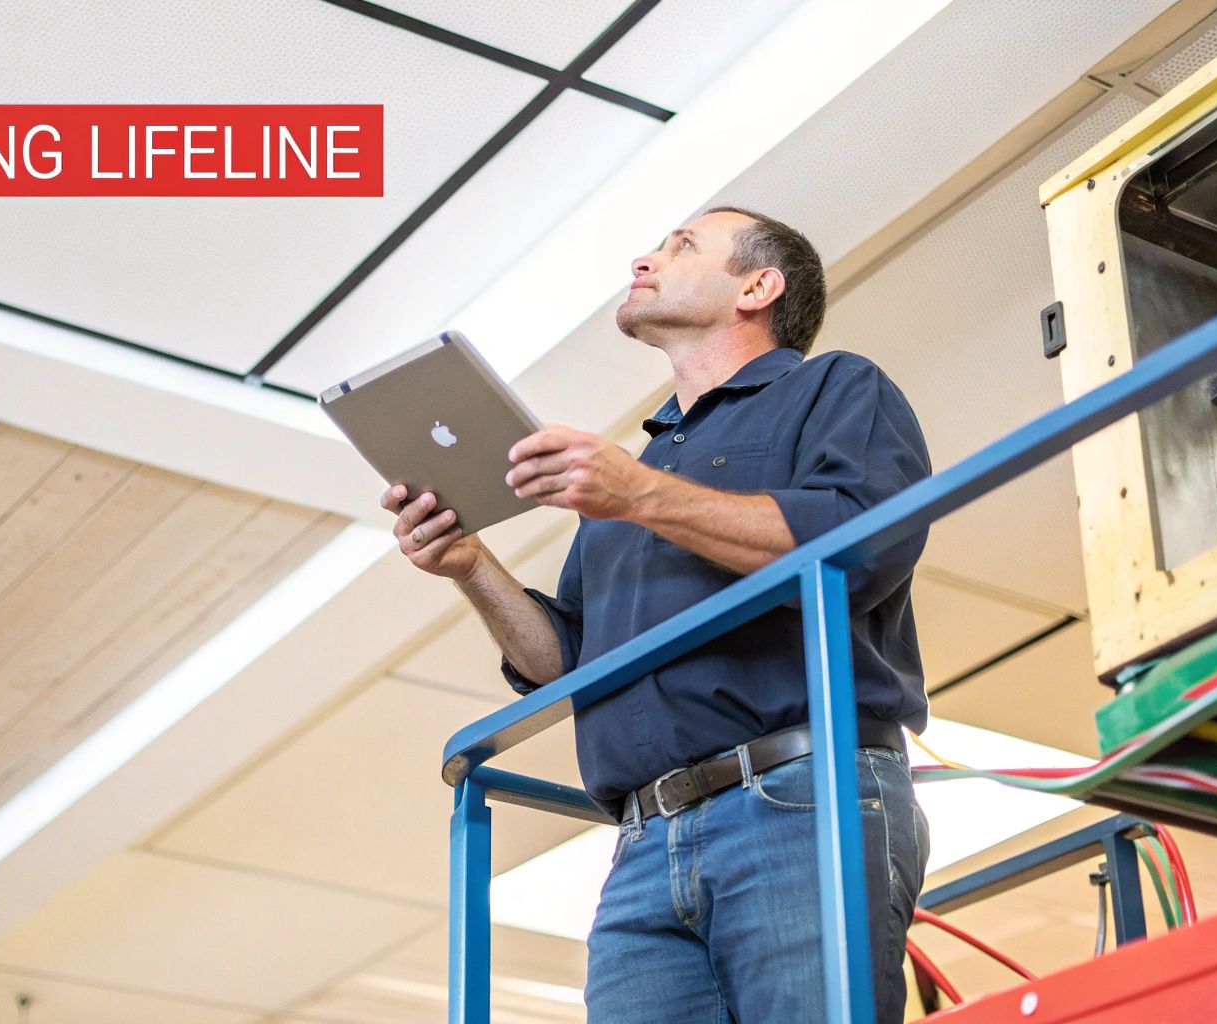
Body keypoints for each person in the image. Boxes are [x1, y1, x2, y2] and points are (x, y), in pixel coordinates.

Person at [380, 206, 932, 1022]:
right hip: (641, 847)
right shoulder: (635, 472)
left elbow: (857, 548)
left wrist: (636, 495)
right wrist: (470, 565)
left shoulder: (834, 388)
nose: (645, 258)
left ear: (758, 285)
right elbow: (568, 664)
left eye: (681, 246)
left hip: (797, 800)